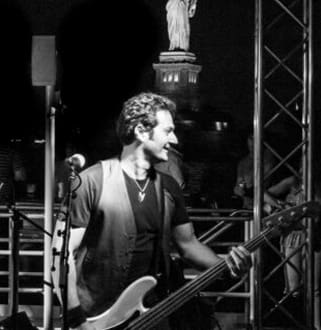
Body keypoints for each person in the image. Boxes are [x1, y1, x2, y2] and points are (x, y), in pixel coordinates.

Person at [51, 92, 251, 330]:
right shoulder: (92, 182)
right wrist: (76, 319)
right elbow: (59, 255)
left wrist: (227, 264)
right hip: (95, 318)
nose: (175, 139)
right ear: (141, 131)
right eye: (167, 130)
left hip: (150, 315)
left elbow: (188, 246)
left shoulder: (169, 187)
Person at [233, 129, 276, 210]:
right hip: (248, 199)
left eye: (257, 138)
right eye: (251, 138)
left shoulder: (268, 156)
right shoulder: (242, 162)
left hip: (266, 196)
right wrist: (239, 188)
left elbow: (264, 180)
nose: (253, 142)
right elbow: (240, 182)